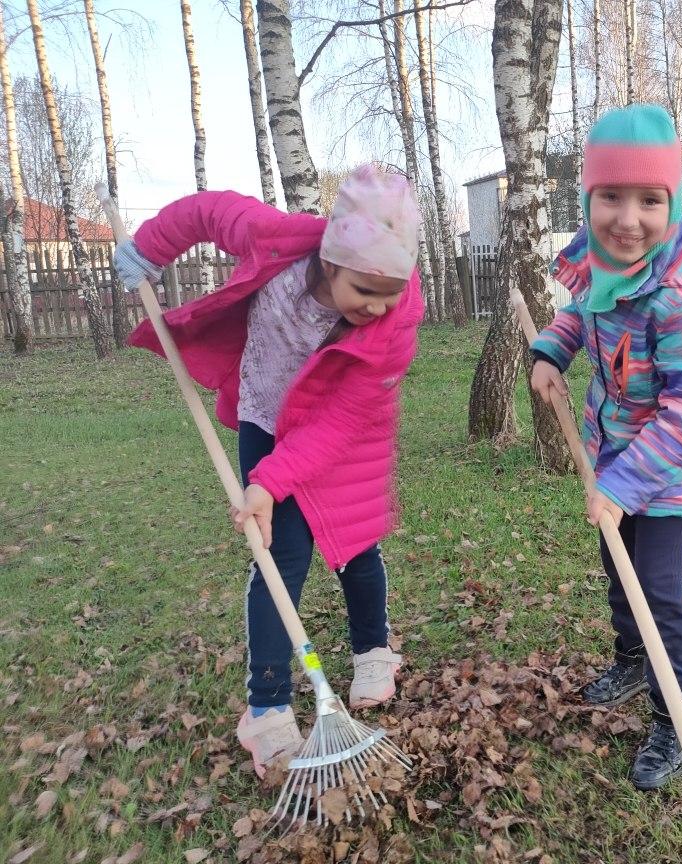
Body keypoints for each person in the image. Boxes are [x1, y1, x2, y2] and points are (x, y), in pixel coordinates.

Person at [114, 165, 423, 775]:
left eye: (390, 292)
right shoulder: (275, 239)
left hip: (345, 431)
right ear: (330, 262)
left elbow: (340, 420)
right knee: (279, 553)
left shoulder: (395, 323)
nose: (378, 306)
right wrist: (149, 249)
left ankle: (373, 650)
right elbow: (207, 211)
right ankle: (268, 708)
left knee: (355, 541)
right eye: (365, 289)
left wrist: (272, 482)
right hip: (266, 414)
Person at [529, 104, 682, 789]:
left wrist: (619, 487)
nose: (628, 218)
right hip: (611, 456)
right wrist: (551, 351)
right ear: (588, 198)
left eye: (650, 199)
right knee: (619, 573)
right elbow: (579, 313)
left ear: (674, 203)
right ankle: (633, 660)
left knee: (659, 594)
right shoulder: (598, 260)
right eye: (610, 196)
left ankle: (677, 716)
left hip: (665, 475)